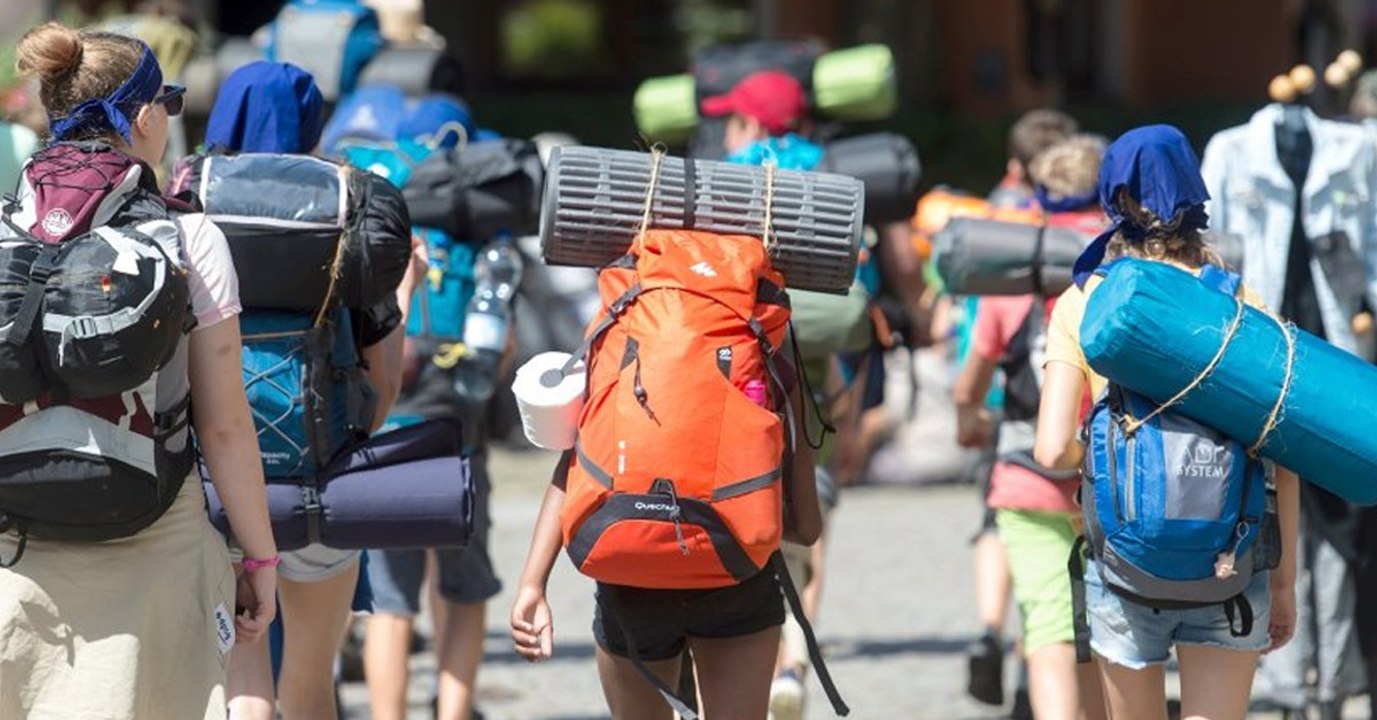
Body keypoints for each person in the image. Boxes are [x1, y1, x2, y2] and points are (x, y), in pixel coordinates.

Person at [0, 22, 277, 719]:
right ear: (143, 114)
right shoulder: (189, 236)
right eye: (170, 103)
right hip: (156, 541)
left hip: (15, 551)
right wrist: (261, 561)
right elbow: (223, 426)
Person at [1034, 124, 1300, 719]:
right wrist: (1282, 585)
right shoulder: (1240, 303)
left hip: (1127, 563)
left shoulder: (1086, 302)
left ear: (1113, 198)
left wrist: (1107, 461)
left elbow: (1051, 450)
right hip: (1231, 562)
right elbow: (1280, 454)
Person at [198, 62, 423, 720]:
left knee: (240, 669)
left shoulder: (187, 205)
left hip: (213, 486)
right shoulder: (351, 213)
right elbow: (383, 380)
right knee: (310, 672)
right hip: (319, 481)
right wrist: (350, 437)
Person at [702, 67, 863, 720]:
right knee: (802, 525)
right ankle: (792, 658)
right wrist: (852, 414)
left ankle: (723, 669)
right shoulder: (834, 176)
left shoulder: (723, 175)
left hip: (730, 377)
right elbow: (857, 301)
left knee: (729, 517)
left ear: (749, 125)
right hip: (814, 379)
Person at [954, 135, 1108, 720]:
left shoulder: (1014, 281)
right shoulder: (1122, 276)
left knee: (1048, 626)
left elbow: (971, 382)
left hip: (1026, 478)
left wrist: (970, 422)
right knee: (1105, 636)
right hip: (1113, 485)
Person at [360, 94, 504, 720]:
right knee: (465, 588)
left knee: (391, 603)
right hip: (457, 434)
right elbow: (502, 344)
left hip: (385, 433)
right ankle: (452, 711)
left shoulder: (381, 212)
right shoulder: (476, 223)